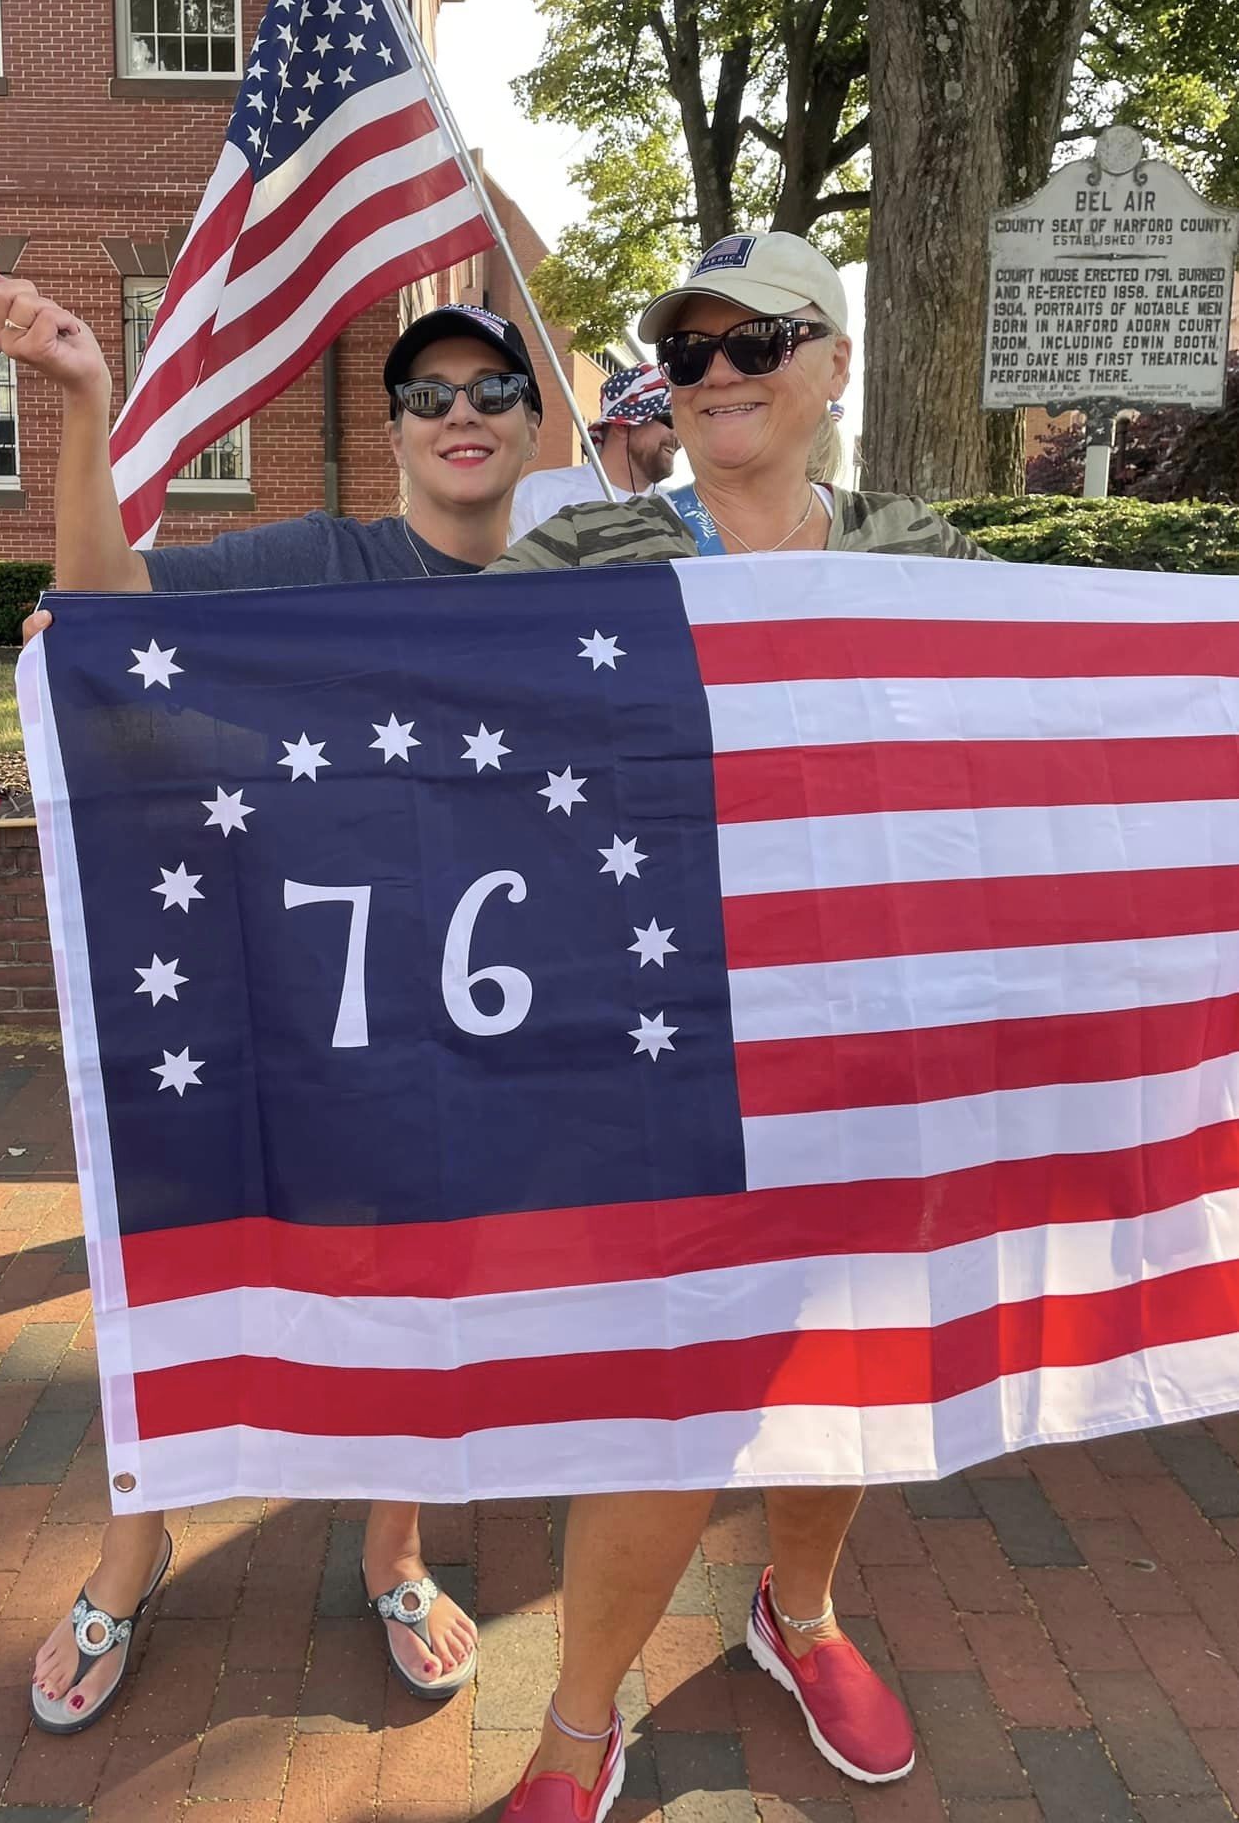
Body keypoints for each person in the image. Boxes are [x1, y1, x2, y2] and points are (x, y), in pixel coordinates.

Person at [0, 264, 544, 1733]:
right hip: (274, 986)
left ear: (535, 425)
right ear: (396, 429)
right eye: (426, 393)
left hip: (464, 1010)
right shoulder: (320, 559)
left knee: (427, 1282)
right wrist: (84, 397)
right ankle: (130, 1550)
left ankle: (394, 1551)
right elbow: (106, 605)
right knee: (195, 1253)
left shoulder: (580, 592)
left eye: (491, 388)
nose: (459, 412)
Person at [485, 230, 992, 1823]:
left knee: (842, 1364)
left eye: (754, 343)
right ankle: (576, 1720)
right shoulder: (594, 551)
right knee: (671, 1385)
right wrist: (119, 656)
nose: (713, 375)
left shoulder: (921, 552)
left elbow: (1017, 740)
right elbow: (413, 697)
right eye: (688, 350)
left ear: (831, 363)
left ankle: (801, 1613)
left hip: (872, 1039)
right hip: (666, 1040)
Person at [507, 361, 678, 543]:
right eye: (669, 419)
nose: (678, 436)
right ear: (622, 426)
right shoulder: (540, 495)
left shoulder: (681, 509)